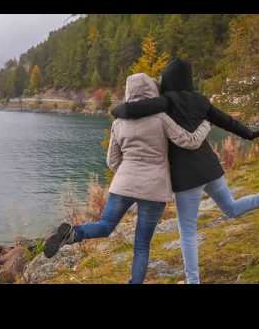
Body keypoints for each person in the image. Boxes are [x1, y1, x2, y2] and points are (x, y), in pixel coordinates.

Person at [111, 59, 259, 284]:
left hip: (187, 178)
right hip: (211, 169)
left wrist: (116, 109)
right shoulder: (201, 101)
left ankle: (194, 281)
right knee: (230, 208)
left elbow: (132, 110)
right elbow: (227, 121)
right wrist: (249, 134)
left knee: (188, 233)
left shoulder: (166, 102)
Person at [44, 73, 211, 284]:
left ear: (128, 92)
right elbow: (190, 141)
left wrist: (126, 174)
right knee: (141, 245)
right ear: (152, 90)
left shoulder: (119, 122)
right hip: (154, 188)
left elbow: (112, 161)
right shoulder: (161, 118)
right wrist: (206, 123)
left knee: (105, 225)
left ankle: (72, 233)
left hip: (123, 183)